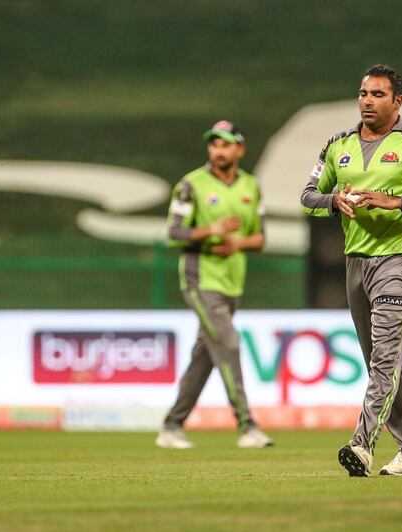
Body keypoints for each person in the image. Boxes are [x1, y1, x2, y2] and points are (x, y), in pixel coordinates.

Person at [300, 64, 402, 476]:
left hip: (399, 259)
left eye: (376, 94)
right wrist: (333, 199)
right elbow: (307, 195)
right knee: (380, 361)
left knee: (385, 360)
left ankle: (362, 444)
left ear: (398, 101)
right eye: (362, 94)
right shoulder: (336, 146)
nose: (367, 101)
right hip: (355, 261)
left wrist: (400, 202)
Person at [156, 120, 275, 449]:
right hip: (201, 280)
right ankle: (247, 426)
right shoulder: (191, 185)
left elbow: (261, 237)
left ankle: (171, 426)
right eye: (213, 144)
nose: (217, 150)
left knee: (205, 356)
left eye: (224, 144)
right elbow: (174, 233)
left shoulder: (251, 186)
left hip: (232, 282)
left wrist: (237, 243)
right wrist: (211, 231)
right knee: (230, 343)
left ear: (240, 149)